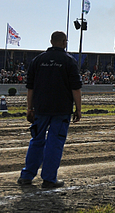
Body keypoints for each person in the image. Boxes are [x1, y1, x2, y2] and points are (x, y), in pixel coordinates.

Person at [17, 31, 82, 188]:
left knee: (37, 140)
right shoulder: (69, 61)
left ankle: (26, 175)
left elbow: (30, 88)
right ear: (64, 42)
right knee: (55, 142)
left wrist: (29, 108)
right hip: (61, 109)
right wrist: (78, 109)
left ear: (51, 41)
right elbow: (76, 89)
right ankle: (49, 178)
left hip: (41, 108)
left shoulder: (38, 60)